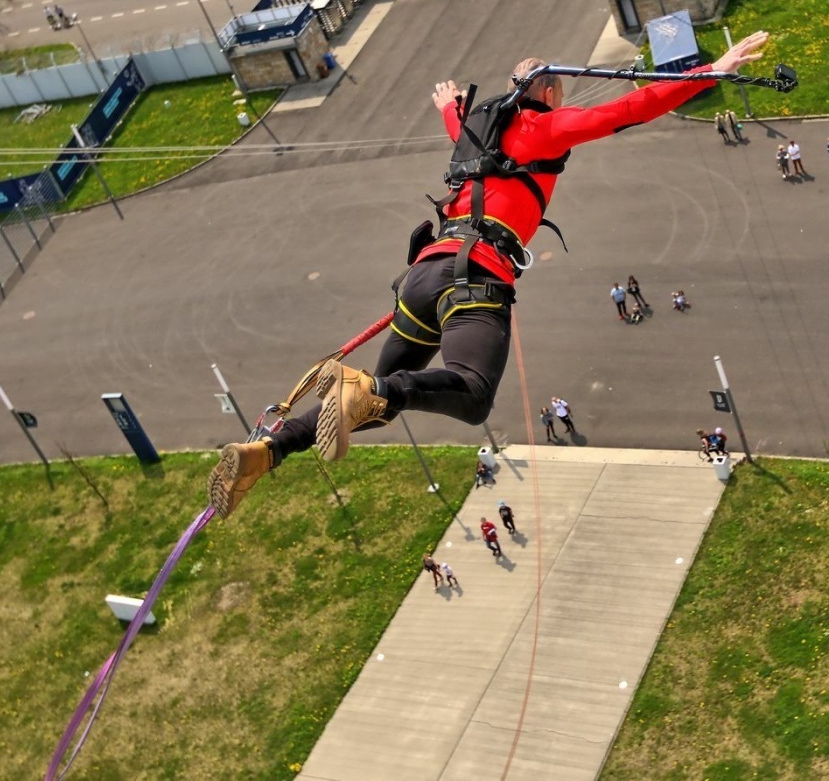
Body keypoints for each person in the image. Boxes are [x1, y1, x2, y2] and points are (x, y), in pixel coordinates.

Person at [206, 32, 772, 519]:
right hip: (473, 277)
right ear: (546, 92)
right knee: (469, 396)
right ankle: (365, 389)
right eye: (560, 93)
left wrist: (450, 104)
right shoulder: (545, 126)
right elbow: (628, 109)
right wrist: (710, 73)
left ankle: (267, 451)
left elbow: (455, 116)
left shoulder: (474, 129)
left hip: (423, 279)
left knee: (379, 406)